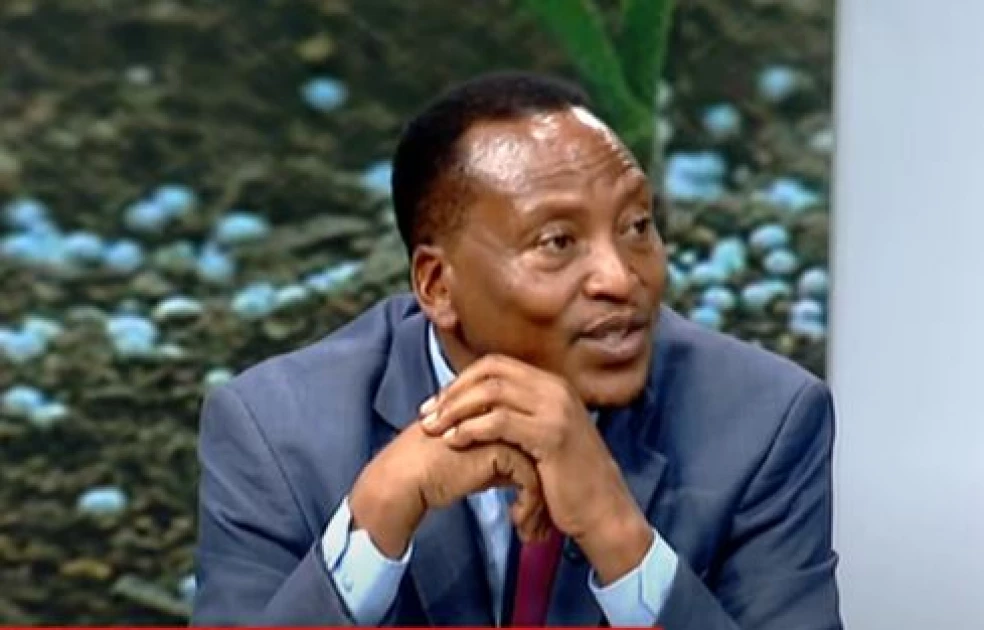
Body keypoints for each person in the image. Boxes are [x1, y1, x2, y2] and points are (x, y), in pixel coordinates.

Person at [190, 71, 842, 628]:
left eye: (637, 226)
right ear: (437, 286)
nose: (620, 278)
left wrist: (621, 539)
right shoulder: (278, 430)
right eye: (558, 242)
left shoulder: (766, 420)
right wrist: (377, 517)